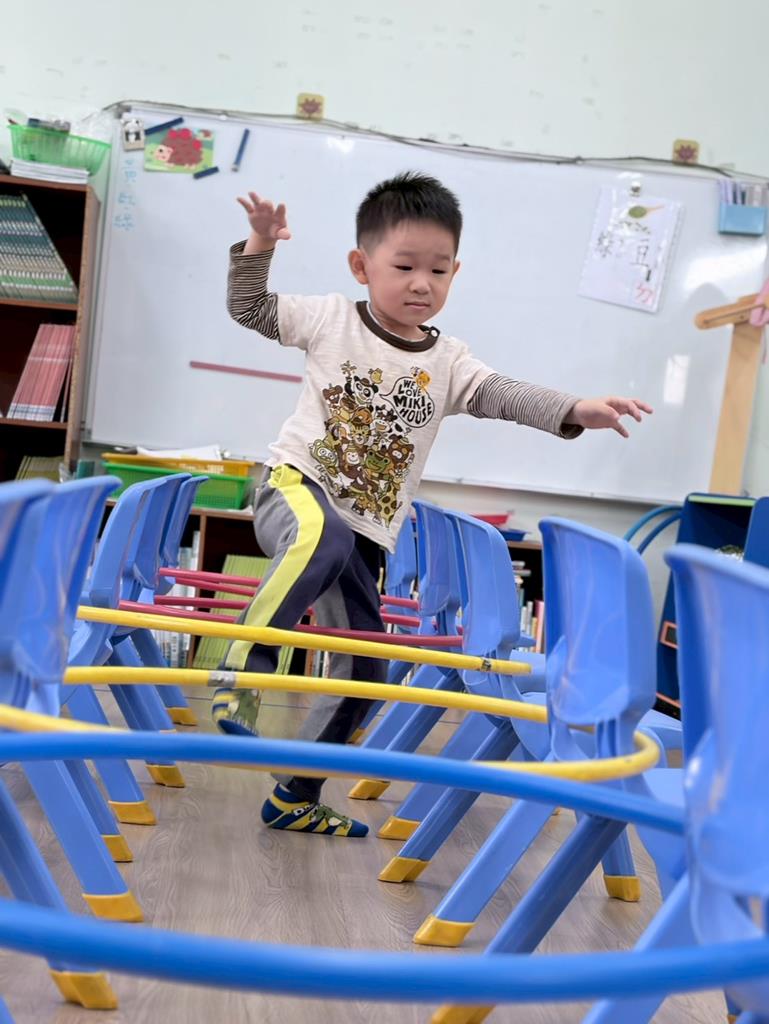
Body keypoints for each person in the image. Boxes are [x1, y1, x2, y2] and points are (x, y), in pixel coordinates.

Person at [213, 171, 652, 838]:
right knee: (320, 537)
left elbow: (502, 395)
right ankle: (242, 669)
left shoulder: (448, 361)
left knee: (367, 667)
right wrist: (260, 243)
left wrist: (574, 409)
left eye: (438, 270)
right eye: (404, 266)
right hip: (295, 488)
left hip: (362, 531)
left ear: (454, 274)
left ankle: (295, 794)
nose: (422, 283)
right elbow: (249, 308)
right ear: (361, 266)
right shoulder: (331, 318)